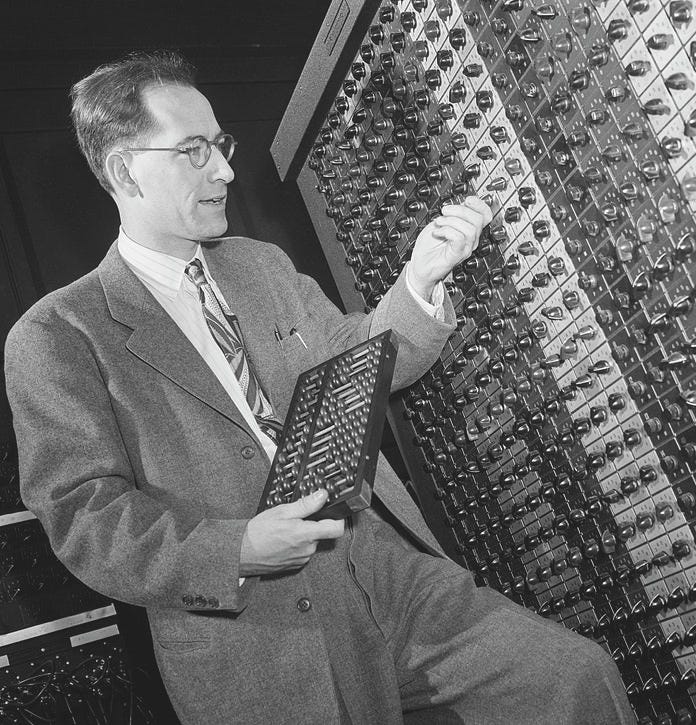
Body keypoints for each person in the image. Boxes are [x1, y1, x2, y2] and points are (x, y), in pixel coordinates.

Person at [4, 50, 635, 725]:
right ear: (123, 168)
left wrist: (419, 281)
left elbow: (353, 361)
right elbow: (85, 516)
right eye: (193, 151)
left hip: (379, 566)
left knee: (571, 677)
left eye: (220, 144)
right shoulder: (57, 333)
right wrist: (242, 545)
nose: (224, 168)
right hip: (259, 629)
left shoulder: (259, 265)